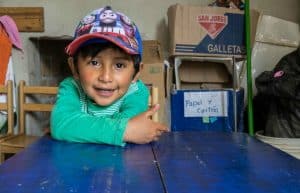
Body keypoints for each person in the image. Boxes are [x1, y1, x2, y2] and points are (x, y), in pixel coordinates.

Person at [50, 6, 168, 146]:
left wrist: (79, 128)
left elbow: (132, 124)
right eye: (94, 62)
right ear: (74, 67)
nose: (106, 77)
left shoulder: (136, 91)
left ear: (136, 72)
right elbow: (62, 124)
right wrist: (124, 131)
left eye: (119, 65)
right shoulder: (71, 87)